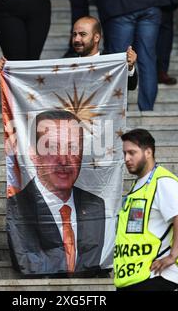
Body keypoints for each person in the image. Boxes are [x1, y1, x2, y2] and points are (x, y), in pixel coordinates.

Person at [7, 110, 106, 275]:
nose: (64, 160)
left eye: (72, 147)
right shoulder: (18, 207)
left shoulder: (95, 205)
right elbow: (28, 262)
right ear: (33, 154)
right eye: (52, 148)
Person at [114, 128, 178, 291]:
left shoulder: (163, 181)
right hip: (133, 277)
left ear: (148, 152)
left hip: (155, 277)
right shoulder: (139, 185)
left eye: (132, 153)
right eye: (124, 153)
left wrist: (172, 256)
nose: (126, 158)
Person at [0, 16, 138, 90]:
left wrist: (130, 67)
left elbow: (130, 86)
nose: (76, 39)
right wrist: (7, 73)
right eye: (74, 34)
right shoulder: (64, 63)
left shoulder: (111, 62)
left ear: (96, 38)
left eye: (82, 34)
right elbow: (38, 83)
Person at [95, 0, 162, 111]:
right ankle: (147, 110)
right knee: (147, 59)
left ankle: (120, 111)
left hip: (120, 3)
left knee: (120, 61)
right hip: (151, 1)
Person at [157, 0, 178, 85]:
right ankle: (154, 72)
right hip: (139, 1)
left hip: (165, 0)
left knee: (165, 38)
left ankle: (162, 71)